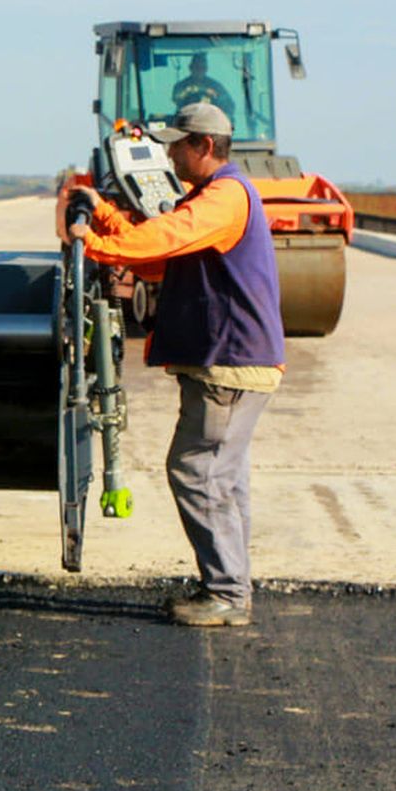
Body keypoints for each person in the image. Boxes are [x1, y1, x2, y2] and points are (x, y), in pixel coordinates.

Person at [60, 102, 283, 627]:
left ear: (205, 146)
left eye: (177, 143)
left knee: (196, 471)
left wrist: (88, 241)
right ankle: (229, 584)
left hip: (229, 365)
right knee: (223, 479)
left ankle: (227, 594)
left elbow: (166, 236)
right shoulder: (211, 197)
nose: (167, 151)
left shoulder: (225, 196)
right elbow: (163, 257)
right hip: (231, 362)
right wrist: (108, 219)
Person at [170, 52, 234, 121]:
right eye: (197, 67)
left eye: (202, 67)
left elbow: (229, 105)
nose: (199, 70)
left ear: (206, 69)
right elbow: (176, 98)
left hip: (210, 125)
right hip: (185, 123)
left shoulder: (216, 86)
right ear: (190, 68)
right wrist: (201, 90)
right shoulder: (181, 86)